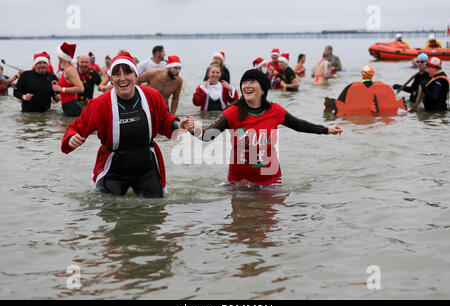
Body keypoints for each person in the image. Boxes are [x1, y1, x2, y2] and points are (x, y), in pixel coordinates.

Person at [181, 69, 342, 188]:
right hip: (238, 183)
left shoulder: (275, 111)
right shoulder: (232, 112)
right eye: (244, 82)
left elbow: (299, 125)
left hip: (269, 182)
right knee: (239, 230)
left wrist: (327, 130)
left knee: (265, 227)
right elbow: (208, 135)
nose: (247, 85)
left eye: (252, 81)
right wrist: (193, 128)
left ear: (263, 88)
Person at [61, 51, 181, 198]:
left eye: (128, 73)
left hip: (146, 165)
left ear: (136, 75)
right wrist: (72, 138)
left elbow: (165, 120)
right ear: (111, 79)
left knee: (154, 212)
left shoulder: (151, 96)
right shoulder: (99, 104)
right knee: (110, 212)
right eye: (117, 74)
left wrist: (180, 126)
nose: (122, 79)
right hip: (114, 168)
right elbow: (75, 128)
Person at [324, 65, 406, 117]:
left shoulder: (352, 86)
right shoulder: (383, 86)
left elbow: (341, 101)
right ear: (372, 74)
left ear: (362, 74)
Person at [52, 42, 85, 116]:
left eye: (58, 55)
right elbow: (68, 86)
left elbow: (81, 88)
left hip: (72, 106)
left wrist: (61, 89)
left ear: (61, 57)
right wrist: (58, 87)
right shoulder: (67, 68)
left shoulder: (70, 69)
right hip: (68, 105)